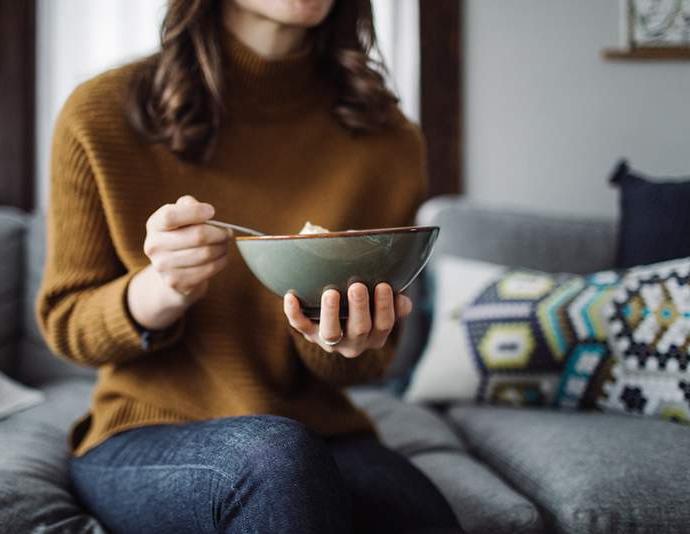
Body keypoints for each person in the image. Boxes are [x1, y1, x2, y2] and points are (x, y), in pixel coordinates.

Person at [37, 0, 458, 532]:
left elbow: (370, 360)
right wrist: (162, 289)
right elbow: (66, 324)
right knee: (274, 459)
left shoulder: (388, 137)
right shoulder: (100, 112)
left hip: (323, 430)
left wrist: (337, 337)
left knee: (417, 513)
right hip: (146, 432)